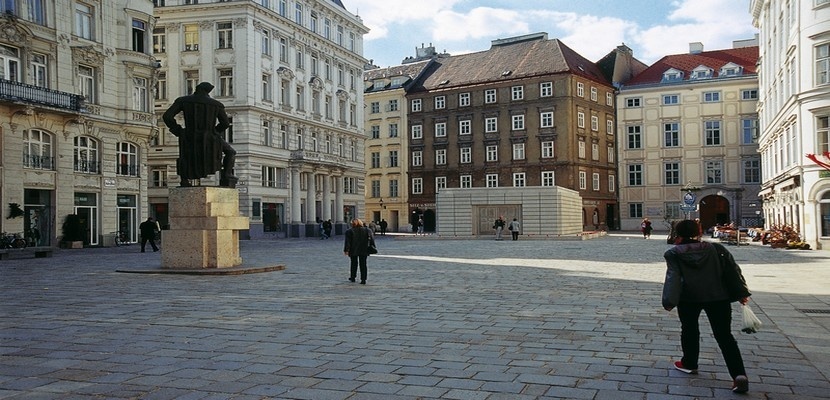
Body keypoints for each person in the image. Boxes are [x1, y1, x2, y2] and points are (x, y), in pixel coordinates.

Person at [662, 219, 751, 394]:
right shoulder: (717, 249)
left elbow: (673, 278)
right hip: (718, 297)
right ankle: (738, 375)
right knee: (724, 336)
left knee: (689, 329)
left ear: (678, 233)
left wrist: (669, 301)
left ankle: (689, 363)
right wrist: (741, 293)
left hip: (689, 298)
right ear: (699, 231)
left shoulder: (673, 253)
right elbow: (733, 270)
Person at [162, 81, 237, 188]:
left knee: (186, 156)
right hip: (210, 136)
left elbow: (167, 116)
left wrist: (177, 130)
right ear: (208, 91)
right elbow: (225, 123)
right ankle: (227, 176)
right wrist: (215, 132)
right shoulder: (216, 104)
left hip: (189, 135)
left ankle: (184, 180)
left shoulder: (183, 101)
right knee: (231, 152)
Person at [343, 218, 373, 284]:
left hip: (353, 249)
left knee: (353, 263)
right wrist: (372, 247)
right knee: (363, 264)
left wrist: (346, 250)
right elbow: (371, 240)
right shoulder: (367, 230)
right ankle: (363, 279)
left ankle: (353, 277)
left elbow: (347, 242)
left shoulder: (349, 231)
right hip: (364, 249)